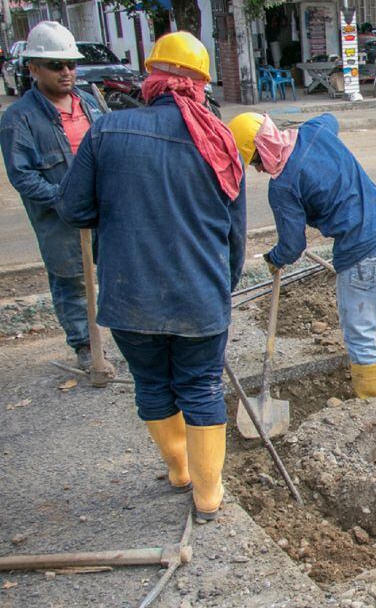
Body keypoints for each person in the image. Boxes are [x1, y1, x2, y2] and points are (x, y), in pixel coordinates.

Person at [57, 32, 245, 523]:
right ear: (201, 85)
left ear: (152, 78)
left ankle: (179, 472)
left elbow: (75, 209)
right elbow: (235, 237)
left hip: (128, 294)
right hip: (199, 295)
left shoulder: (106, 131)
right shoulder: (220, 142)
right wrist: (220, 290)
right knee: (201, 387)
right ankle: (207, 497)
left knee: (153, 384)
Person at [227, 112, 376, 400]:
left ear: (261, 151)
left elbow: (293, 246)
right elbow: (330, 118)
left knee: (361, 338)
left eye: (255, 161)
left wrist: (275, 259)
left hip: (362, 255)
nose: (259, 169)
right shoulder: (314, 131)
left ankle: (373, 413)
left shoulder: (283, 186)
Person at [0, 21, 113, 374]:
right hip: (60, 217)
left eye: (71, 65)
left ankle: (116, 339)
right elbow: (23, 177)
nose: (66, 72)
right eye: (56, 65)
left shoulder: (90, 103)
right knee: (71, 280)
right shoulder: (20, 119)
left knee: (112, 271)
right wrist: (67, 200)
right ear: (34, 68)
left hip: (102, 209)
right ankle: (85, 346)